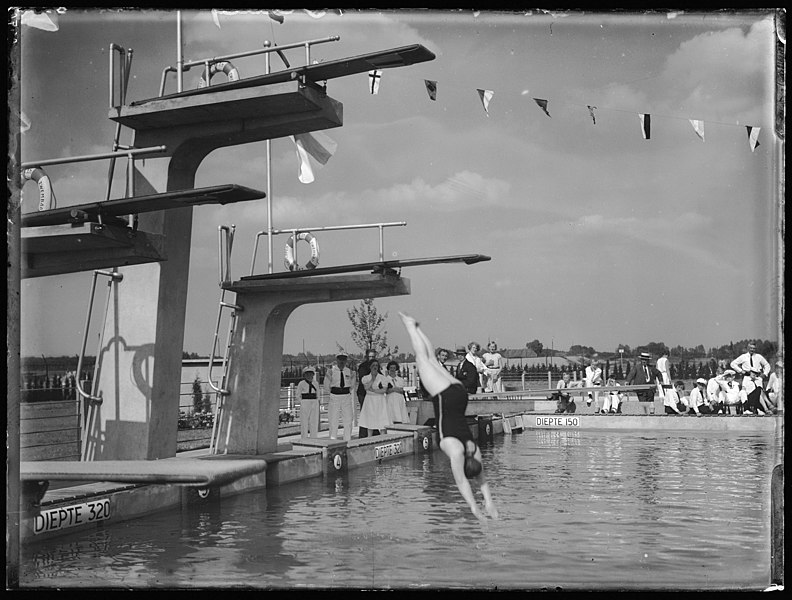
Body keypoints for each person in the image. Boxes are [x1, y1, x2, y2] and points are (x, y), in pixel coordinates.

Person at [399, 312, 498, 521]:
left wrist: (489, 502)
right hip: (445, 396)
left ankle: (416, 328)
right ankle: (410, 327)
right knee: (422, 359)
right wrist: (474, 509)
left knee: (432, 358)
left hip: (460, 394)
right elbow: (462, 482)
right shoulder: (455, 451)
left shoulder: (474, 449)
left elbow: (482, 479)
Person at [730, 342, 771, 415]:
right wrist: (741, 371)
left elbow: (767, 365)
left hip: (758, 377)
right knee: (751, 392)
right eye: (751, 348)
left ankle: (764, 408)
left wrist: (765, 374)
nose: (752, 350)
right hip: (747, 377)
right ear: (748, 348)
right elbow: (733, 364)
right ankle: (767, 407)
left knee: (759, 390)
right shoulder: (743, 357)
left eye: (754, 348)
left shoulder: (759, 357)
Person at [323, 351, 355, 441]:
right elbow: (326, 385)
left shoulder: (350, 371)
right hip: (335, 396)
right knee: (333, 420)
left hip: (346, 396)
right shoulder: (331, 371)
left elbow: (352, 385)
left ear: (346, 360)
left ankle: (347, 441)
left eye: (344, 359)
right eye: (340, 359)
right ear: (337, 359)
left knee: (348, 420)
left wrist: (345, 391)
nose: (342, 361)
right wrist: (333, 392)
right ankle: (333, 441)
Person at [358, 359, 391, 436]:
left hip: (380, 400)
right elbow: (366, 388)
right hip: (370, 400)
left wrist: (373, 390)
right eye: (373, 365)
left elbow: (384, 390)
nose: (375, 367)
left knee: (382, 421)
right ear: (370, 367)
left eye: (376, 365)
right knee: (370, 421)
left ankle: (382, 438)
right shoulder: (366, 378)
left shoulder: (383, 378)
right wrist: (372, 379)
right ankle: (370, 438)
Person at [357, 348, 378, 438]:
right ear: (366, 357)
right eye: (370, 356)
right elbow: (364, 380)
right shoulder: (363, 367)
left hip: (374, 394)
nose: (371, 358)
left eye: (373, 356)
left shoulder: (376, 366)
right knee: (365, 414)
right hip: (364, 394)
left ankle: (375, 432)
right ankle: (363, 435)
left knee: (374, 413)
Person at [297, 366, 321, 438]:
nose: (309, 375)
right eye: (307, 374)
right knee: (304, 420)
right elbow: (298, 394)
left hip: (314, 401)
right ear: (304, 375)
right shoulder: (301, 383)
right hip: (305, 401)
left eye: (310, 374)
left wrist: (317, 400)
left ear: (313, 375)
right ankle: (304, 437)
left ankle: (313, 437)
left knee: (314, 420)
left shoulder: (315, 383)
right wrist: (301, 402)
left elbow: (318, 392)